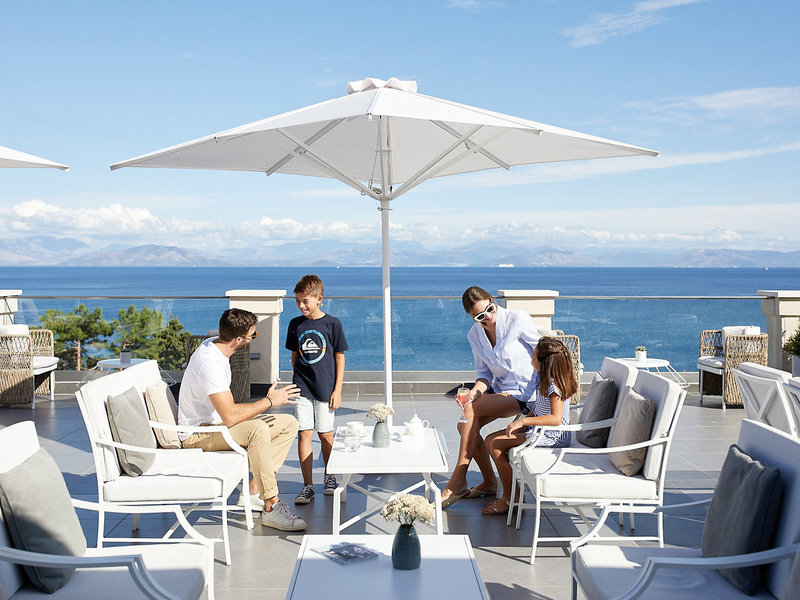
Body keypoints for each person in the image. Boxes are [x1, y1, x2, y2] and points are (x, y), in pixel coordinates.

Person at [179, 308, 307, 531]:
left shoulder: (214, 344)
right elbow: (230, 417)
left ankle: (253, 492)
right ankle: (271, 506)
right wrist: (269, 401)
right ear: (238, 339)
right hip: (198, 433)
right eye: (252, 335)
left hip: (215, 425)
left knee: (288, 424)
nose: (253, 339)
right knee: (257, 429)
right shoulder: (210, 364)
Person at [441, 286, 541, 508]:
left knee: (470, 411)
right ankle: (488, 482)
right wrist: (475, 392)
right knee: (464, 425)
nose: (487, 316)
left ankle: (458, 480)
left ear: (493, 301)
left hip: (526, 392)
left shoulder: (518, 319)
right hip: (500, 390)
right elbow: (484, 374)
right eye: (479, 316)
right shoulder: (474, 335)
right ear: (472, 317)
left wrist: (546, 392)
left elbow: (544, 354)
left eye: (490, 309)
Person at [482, 337, 577, 515]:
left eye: (534, 355)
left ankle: (510, 498)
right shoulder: (542, 378)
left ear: (544, 362)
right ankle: (514, 494)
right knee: (489, 439)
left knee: (496, 444)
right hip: (538, 429)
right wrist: (524, 422)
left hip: (552, 435)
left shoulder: (554, 385)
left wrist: (523, 421)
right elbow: (539, 407)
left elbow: (556, 419)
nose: (531, 358)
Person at [285, 274, 348, 504]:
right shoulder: (295, 325)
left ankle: (330, 476)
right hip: (302, 388)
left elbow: (339, 357)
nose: (301, 305)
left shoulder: (333, 324)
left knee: (325, 434)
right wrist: (299, 380)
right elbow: (295, 357)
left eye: (305, 301)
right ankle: (307, 485)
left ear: (319, 299)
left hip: (326, 389)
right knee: (304, 433)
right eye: (298, 301)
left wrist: (337, 390)